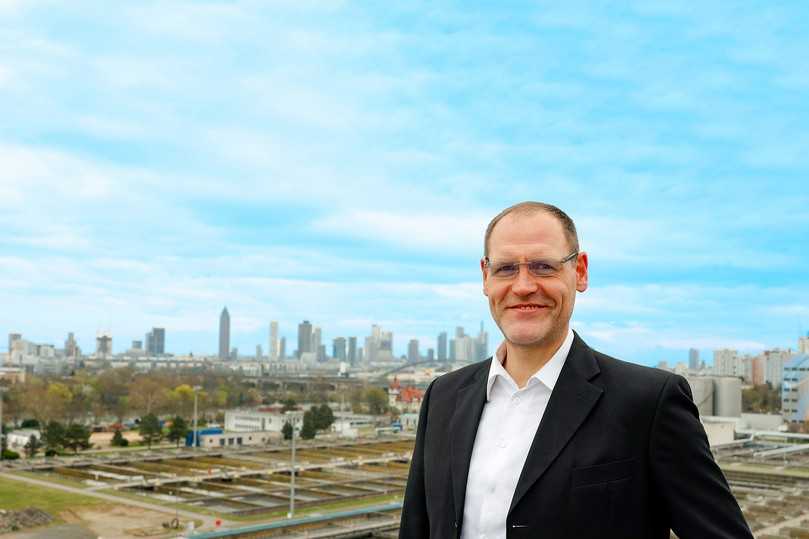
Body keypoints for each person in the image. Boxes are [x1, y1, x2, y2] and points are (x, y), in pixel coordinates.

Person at [399, 202, 752, 538]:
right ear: (485, 277)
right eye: (506, 268)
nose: (523, 286)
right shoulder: (443, 396)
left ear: (580, 272)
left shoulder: (648, 403)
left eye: (543, 266)